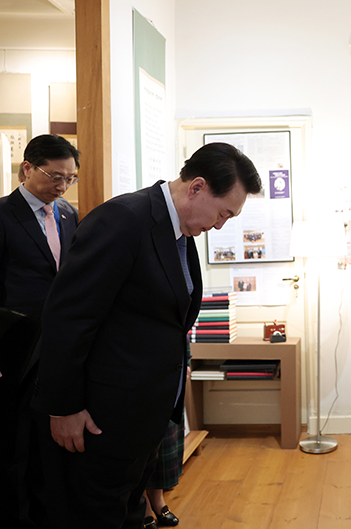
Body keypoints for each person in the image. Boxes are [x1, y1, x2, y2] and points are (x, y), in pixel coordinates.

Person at [31, 142, 262, 529]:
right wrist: (64, 407)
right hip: (99, 418)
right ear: (197, 188)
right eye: (223, 213)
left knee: (129, 511)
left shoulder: (179, 233)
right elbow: (68, 319)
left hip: (142, 417)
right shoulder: (122, 220)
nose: (220, 225)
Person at [0, 134, 81, 528]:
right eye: (55, 176)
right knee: (17, 444)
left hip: (58, 344)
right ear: (26, 169)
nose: (62, 186)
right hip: (15, 345)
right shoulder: (2, 214)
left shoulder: (68, 214)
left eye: (70, 178)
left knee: (50, 442)